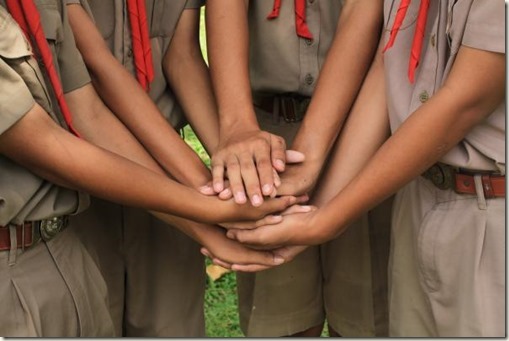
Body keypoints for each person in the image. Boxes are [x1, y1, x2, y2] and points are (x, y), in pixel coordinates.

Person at [0, 1, 304, 336]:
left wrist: (214, 195)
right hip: (69, 196)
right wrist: (207, 206)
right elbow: (46, 134)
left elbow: (93, 105)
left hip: (139, 181)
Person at [221, 0, 506, 337]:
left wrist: (326, 218)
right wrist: (315, 198)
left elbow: (465, 100)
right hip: (419, 197)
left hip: (490, 208)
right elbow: (386, 63)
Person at [206, 0, 392, 337]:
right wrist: (237, 126)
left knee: (368, 317)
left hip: (367, 127)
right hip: (267, 133)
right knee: (279, 319)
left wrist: (310, 150)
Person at [63, 0, 216, 336]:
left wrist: (223, 174)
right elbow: (92, 67)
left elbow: (182, 51)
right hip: (70, 172)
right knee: (87, 320)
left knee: (171, 324)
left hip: (168, 162)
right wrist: (207, 201)